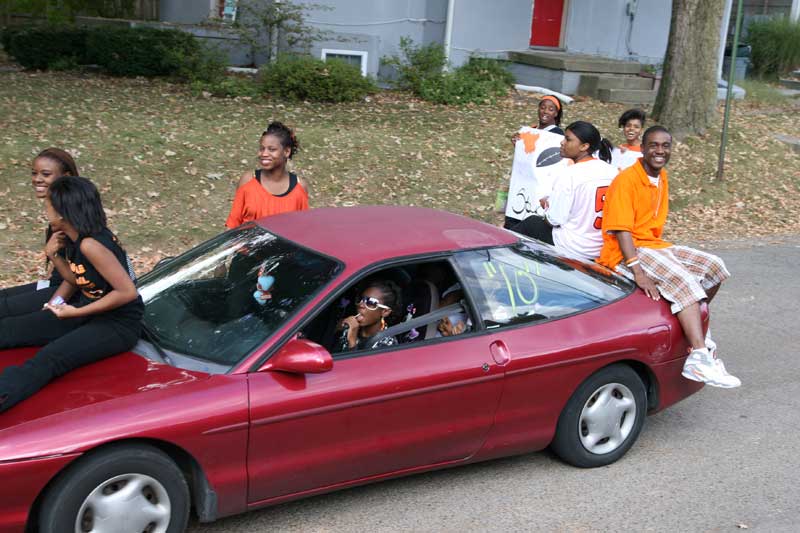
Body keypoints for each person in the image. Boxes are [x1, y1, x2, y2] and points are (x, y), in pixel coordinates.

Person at [597, 126, 740, 388]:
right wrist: (637, 270)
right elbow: (621, 231)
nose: (660, 151)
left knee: (715, 268)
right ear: (643, 146)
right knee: (684, 281)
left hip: (653, 244)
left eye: (665, 145)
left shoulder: (661, 177)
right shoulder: (626, 180)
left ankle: (695, 330)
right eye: (653, 145)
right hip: (627, 250)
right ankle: (698, 355)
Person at [0, 176, 143, 413]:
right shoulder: (73, 239)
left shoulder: (91, 244)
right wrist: (54, 258)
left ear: (62, 213)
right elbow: (79, 280)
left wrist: (77, 311)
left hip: (117, 325)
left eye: (48, 206)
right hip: (83, 311)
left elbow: (127, 292)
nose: (45, 211)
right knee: (9, 329)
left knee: (49, 359)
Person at [512, 121, 617, 261]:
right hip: (600, 248)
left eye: (568, 139)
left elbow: (554, 220)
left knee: (532, 223)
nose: (562, 142)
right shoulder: (612, 171)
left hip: (573, 247)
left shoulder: (570, 174)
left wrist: (548, 204)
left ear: (584, 146)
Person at [0, 148, 79, 319]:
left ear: (66, 176)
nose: (37, 179)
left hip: (69, 292)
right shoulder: (56, 207)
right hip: (55, 283)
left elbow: (77, 279)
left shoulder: (71, 217)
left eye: (45, 174)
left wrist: (53, 304)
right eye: (34, 173)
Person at [226, 122, 309, 228]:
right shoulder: (248, 181)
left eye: (272, 149)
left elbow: (302, 231)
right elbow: (232, 226)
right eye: (262, 148)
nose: (264, 154)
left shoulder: (299, 187)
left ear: (287, 151)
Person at [338, 280, 401, 352]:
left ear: (385, 312)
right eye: (361, 299)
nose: (360, 305)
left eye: (370, 302)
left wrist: (352, 342)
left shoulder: (388, 345)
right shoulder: (348, 328)